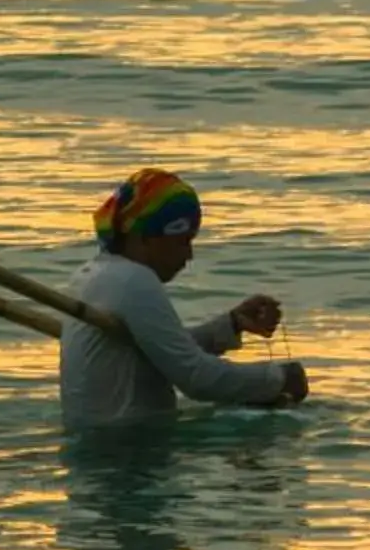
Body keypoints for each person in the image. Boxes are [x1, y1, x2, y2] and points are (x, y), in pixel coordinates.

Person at [59, 168, 310, 429]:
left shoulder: (91, 275)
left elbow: (160, 350)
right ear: (146, 237)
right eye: (182, 241)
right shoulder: (134, 281)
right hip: (129, 453)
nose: (188, 255)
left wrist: (231, 324)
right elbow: (197, 378)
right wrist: (278, 378)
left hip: (99, 449)